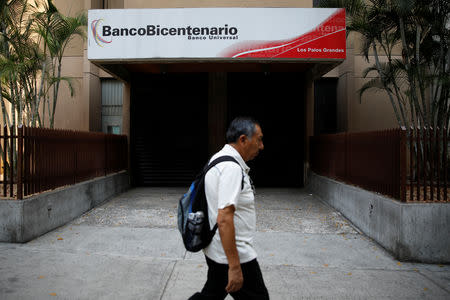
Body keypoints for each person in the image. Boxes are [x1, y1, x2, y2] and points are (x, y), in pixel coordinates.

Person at [189, 117, 269, 300]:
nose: (261, 146)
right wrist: (234, 267)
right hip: (235, 253)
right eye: (259, 139)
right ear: (243, 140)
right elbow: (224, 218)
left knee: (211, 293)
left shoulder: (217, 159)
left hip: (217, 249)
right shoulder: (231, 169)